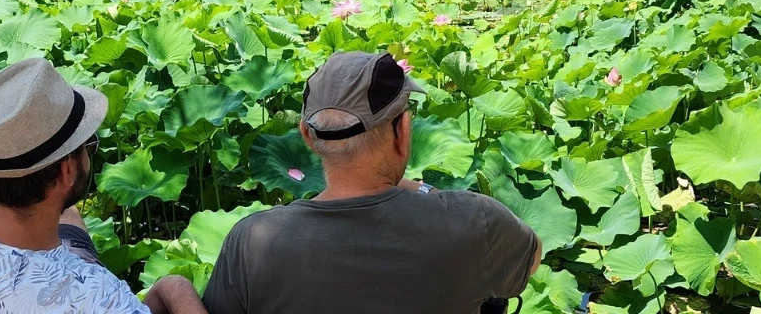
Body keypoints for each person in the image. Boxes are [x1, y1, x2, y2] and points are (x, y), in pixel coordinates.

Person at [200, 52, 542, 314]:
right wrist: (422, 189)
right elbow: (531, 257)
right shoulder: (473, 222)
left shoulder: (251, 242)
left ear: (306, 135)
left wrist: (174, 289)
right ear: (403, 130)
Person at [0, 58, 208, 314]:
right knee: (173, 287)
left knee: (70, 219)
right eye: (89, 144)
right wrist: (175, 287)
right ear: (67, 170)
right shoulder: (99, 299)